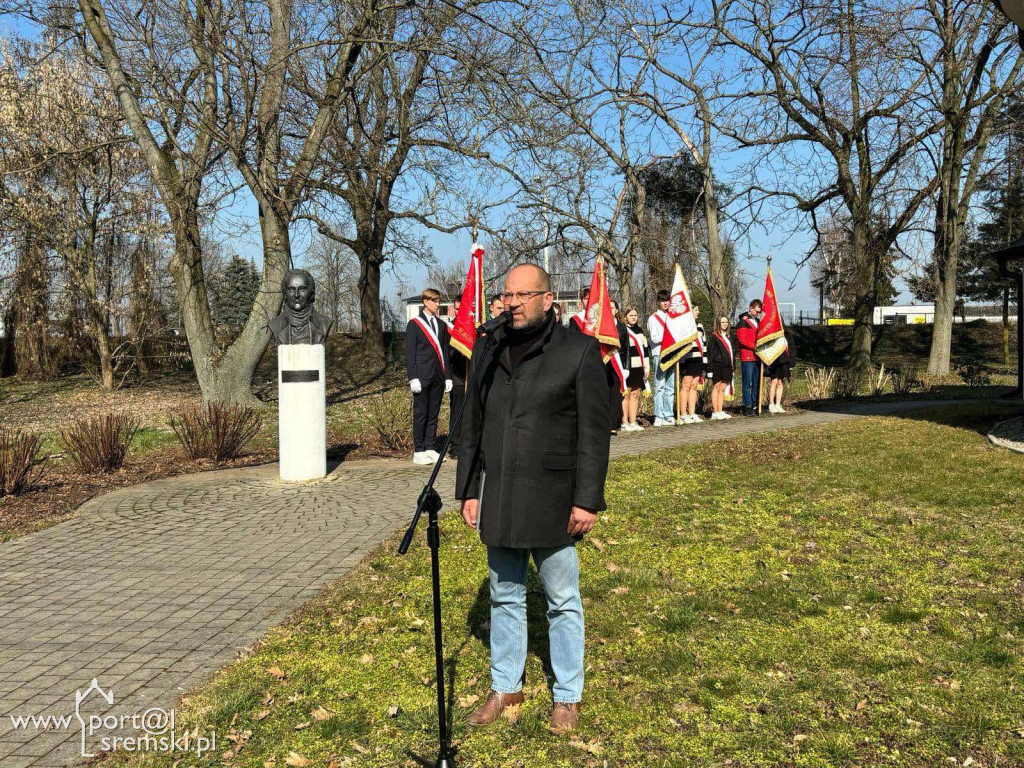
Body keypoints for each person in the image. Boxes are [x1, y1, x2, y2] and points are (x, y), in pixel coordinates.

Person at [456, 263, 610, 736]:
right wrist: (468, 489)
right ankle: (506, 685)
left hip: (554, 496)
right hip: (500, 491)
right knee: (504, 595)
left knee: (562, 600)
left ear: (548, 300)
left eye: (525, 295)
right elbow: (471, 425)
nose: (514, 303)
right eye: (507, 294)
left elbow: (593, 432)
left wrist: (587, 499)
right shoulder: (488, 347)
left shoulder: (579, 351)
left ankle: (567, 695)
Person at [405, 288, 453, 465]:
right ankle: (418, 451)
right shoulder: (415, 324)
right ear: (425, 302)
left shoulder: (441, 326)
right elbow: (410, 353)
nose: (438, 304)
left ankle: (430, 447)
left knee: (433, 413)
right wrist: (413, 377)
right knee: (421, 414)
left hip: (438, 375)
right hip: (422, 376)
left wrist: (447, 376)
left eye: (439, 301)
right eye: (435, 301)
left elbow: (445, 352)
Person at [646, 290, 676, 426]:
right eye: (663, 300)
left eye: (667, 300)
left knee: (670, 386)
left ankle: (668, 414)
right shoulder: (653, 318)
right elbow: (654, 338)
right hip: (659, 353)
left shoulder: (673, 318)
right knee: (659, 386)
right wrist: (669, 338)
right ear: (658, 302)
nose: (665, 303)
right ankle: (658, 415)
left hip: (672, 354)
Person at [678, 305, 708, 424]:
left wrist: (705, 362)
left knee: (694, 386)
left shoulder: (700, 327)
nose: (698, 312)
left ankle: (692, 413)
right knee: (686, 385)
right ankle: (683, 414)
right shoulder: (683, 327)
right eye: (695, 310)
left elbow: (704, 345)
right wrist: (681, 362)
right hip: (687, 360)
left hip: (698, 360)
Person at [620, 306, 649, 431]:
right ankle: (624, 421)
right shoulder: (622, 330)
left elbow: (645, 350)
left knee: (635, 394)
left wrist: (646, 367)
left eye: (635, 315)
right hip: (627, 368)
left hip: (639, 366)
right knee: (626, 394)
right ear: (625, 316)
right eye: (631, 315)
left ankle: (633, 421)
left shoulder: (640, 331)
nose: (633, 318)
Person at [448, 296, 469, 454]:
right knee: (457, 411)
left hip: (472, 375)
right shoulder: (450, 327)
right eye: (456, 308)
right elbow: (447, 353)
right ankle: (455, 445)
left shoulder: (473, 325)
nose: (458, 311)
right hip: (458, 376)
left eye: (461, 308)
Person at [736, 299, 763, 416]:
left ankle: (755, 404)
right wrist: (756, 346)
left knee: (756, 382)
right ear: (751, 308)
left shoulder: (757, 321)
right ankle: (747, 406)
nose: (758, 313)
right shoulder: (743, 322)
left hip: (757, 356)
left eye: (759, 312)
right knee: (747, 383)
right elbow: (742, 340)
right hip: (747, 356)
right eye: (757, 311)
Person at [607, 301, 629, 434]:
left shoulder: (621, 327)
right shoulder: (600, 326)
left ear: (616, 310)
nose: (610, 310)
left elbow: (626, 348)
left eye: (612, 307)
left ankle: (612, 424)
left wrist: (626, 368)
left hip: (618, 363)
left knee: (615, 394)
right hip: (604, 363)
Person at [708, 316, 735, 420]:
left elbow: (732, 352)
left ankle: (720, 410)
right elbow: (710, 353)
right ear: (718, 323)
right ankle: (715, 412)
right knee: (716, 387)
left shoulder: (728, 336)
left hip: (727, 366)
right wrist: (709, 369)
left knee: (722, 388)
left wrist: (734, 366)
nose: (725, 324)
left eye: (726, 322)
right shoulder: (714, 337)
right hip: (717, 365)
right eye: (723, 322)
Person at [767, 346, 792, 413]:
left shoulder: (787, 336)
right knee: (774, 381)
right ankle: (771, 404)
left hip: (783, 360)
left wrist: (792, 361)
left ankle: (778, 404)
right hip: (774, 360)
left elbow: (791, 347)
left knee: (780, 382)